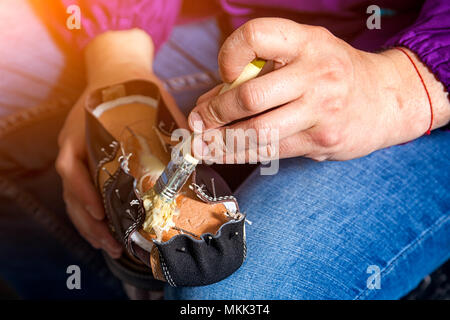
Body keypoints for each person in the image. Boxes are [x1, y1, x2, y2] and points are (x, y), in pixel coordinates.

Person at [23, 0, 450, 299]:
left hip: (424, 80)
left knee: (223, 293)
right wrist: (118, 60)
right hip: (246, 34)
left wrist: (404, 85)